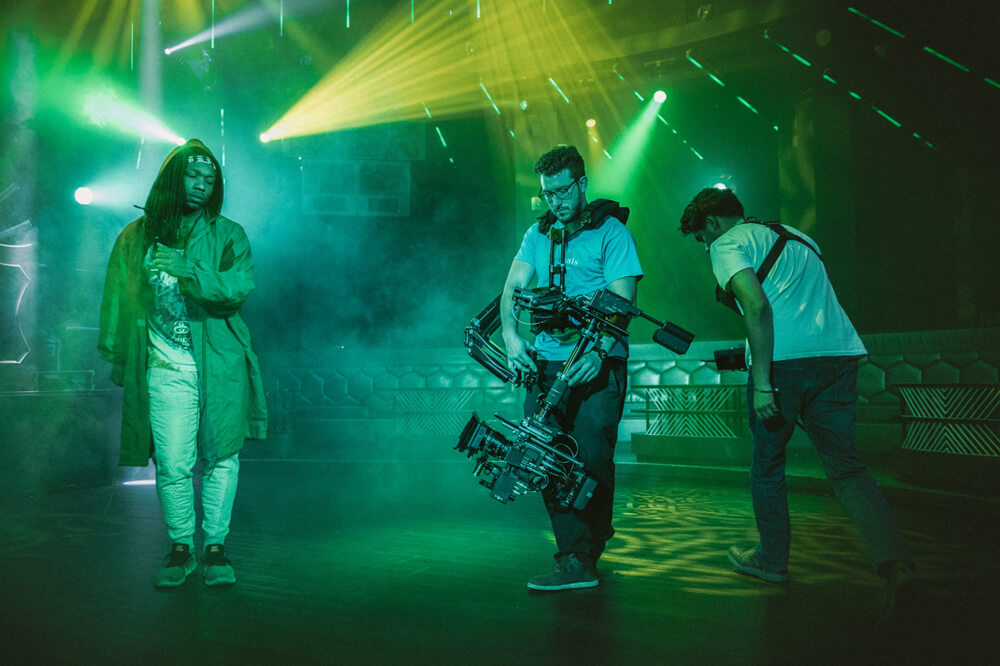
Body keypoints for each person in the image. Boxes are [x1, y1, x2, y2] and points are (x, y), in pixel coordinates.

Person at [678, 186, 918, 613]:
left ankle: (771, 560)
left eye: (701, 237)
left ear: (711, 223)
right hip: (838, 355)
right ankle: (896, 565)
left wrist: (763, 382)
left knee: (767, 466)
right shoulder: (799, 235)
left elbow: (757, 307)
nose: (704, 246)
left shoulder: (727, 244)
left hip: (784, 364)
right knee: (847, 468)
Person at [98, 139, 268, 589]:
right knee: (173, 462)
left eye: (209, 179)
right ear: (173, 177)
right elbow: (117, 295)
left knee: (222, 456)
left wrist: (187, 268)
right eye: (192, 175)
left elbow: (237, 289)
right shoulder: (135, 236)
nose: (201, 184)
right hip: (164, 369)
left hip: (220, 366)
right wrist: (118, 355)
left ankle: (215, 547)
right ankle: (181, 547)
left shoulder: (228, 234)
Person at [501, 145, 642, 591]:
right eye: (547, 193)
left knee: (592, 455)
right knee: (544, 453)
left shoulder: (612, 232)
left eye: (562, 191)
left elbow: (623, 301)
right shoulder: (537, 234)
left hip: (598, 363)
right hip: (547, 362)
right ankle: (575, 557)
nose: (555, 201)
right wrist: (510, 337)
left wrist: (598, 351)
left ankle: (588, 544)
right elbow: (511, 287)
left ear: (581, 184)